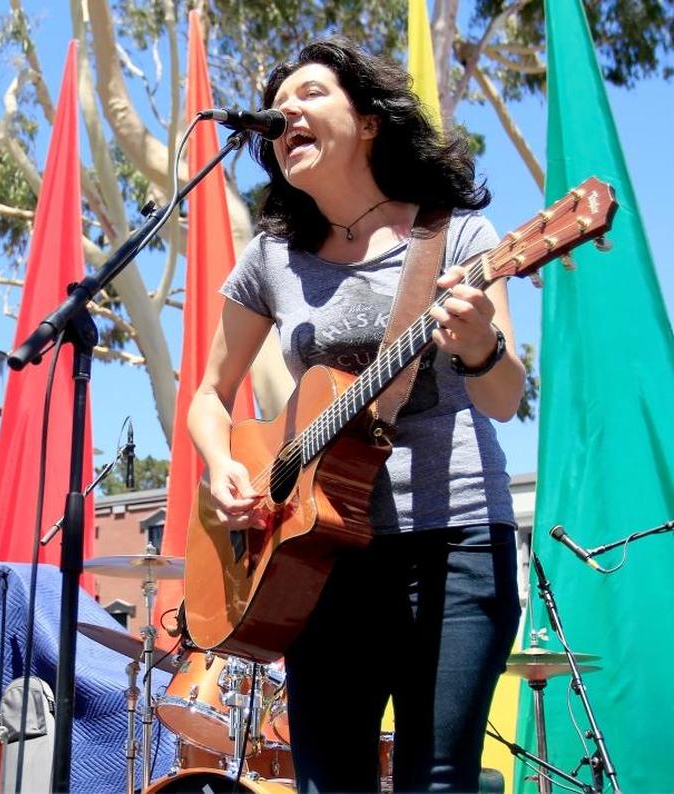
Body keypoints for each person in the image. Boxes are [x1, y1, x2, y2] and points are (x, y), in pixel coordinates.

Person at [188, 38, 524, 792]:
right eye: (278, 107)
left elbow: (504, 400)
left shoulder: (456, 237)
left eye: (310, 94)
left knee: (437, 780)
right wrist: (223, 466)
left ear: (370, 122)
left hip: (455, 539)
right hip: (317, 556)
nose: (287, 114)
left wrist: (480, 346)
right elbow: (209, 395)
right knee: (327, 781)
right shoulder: (272, 257)